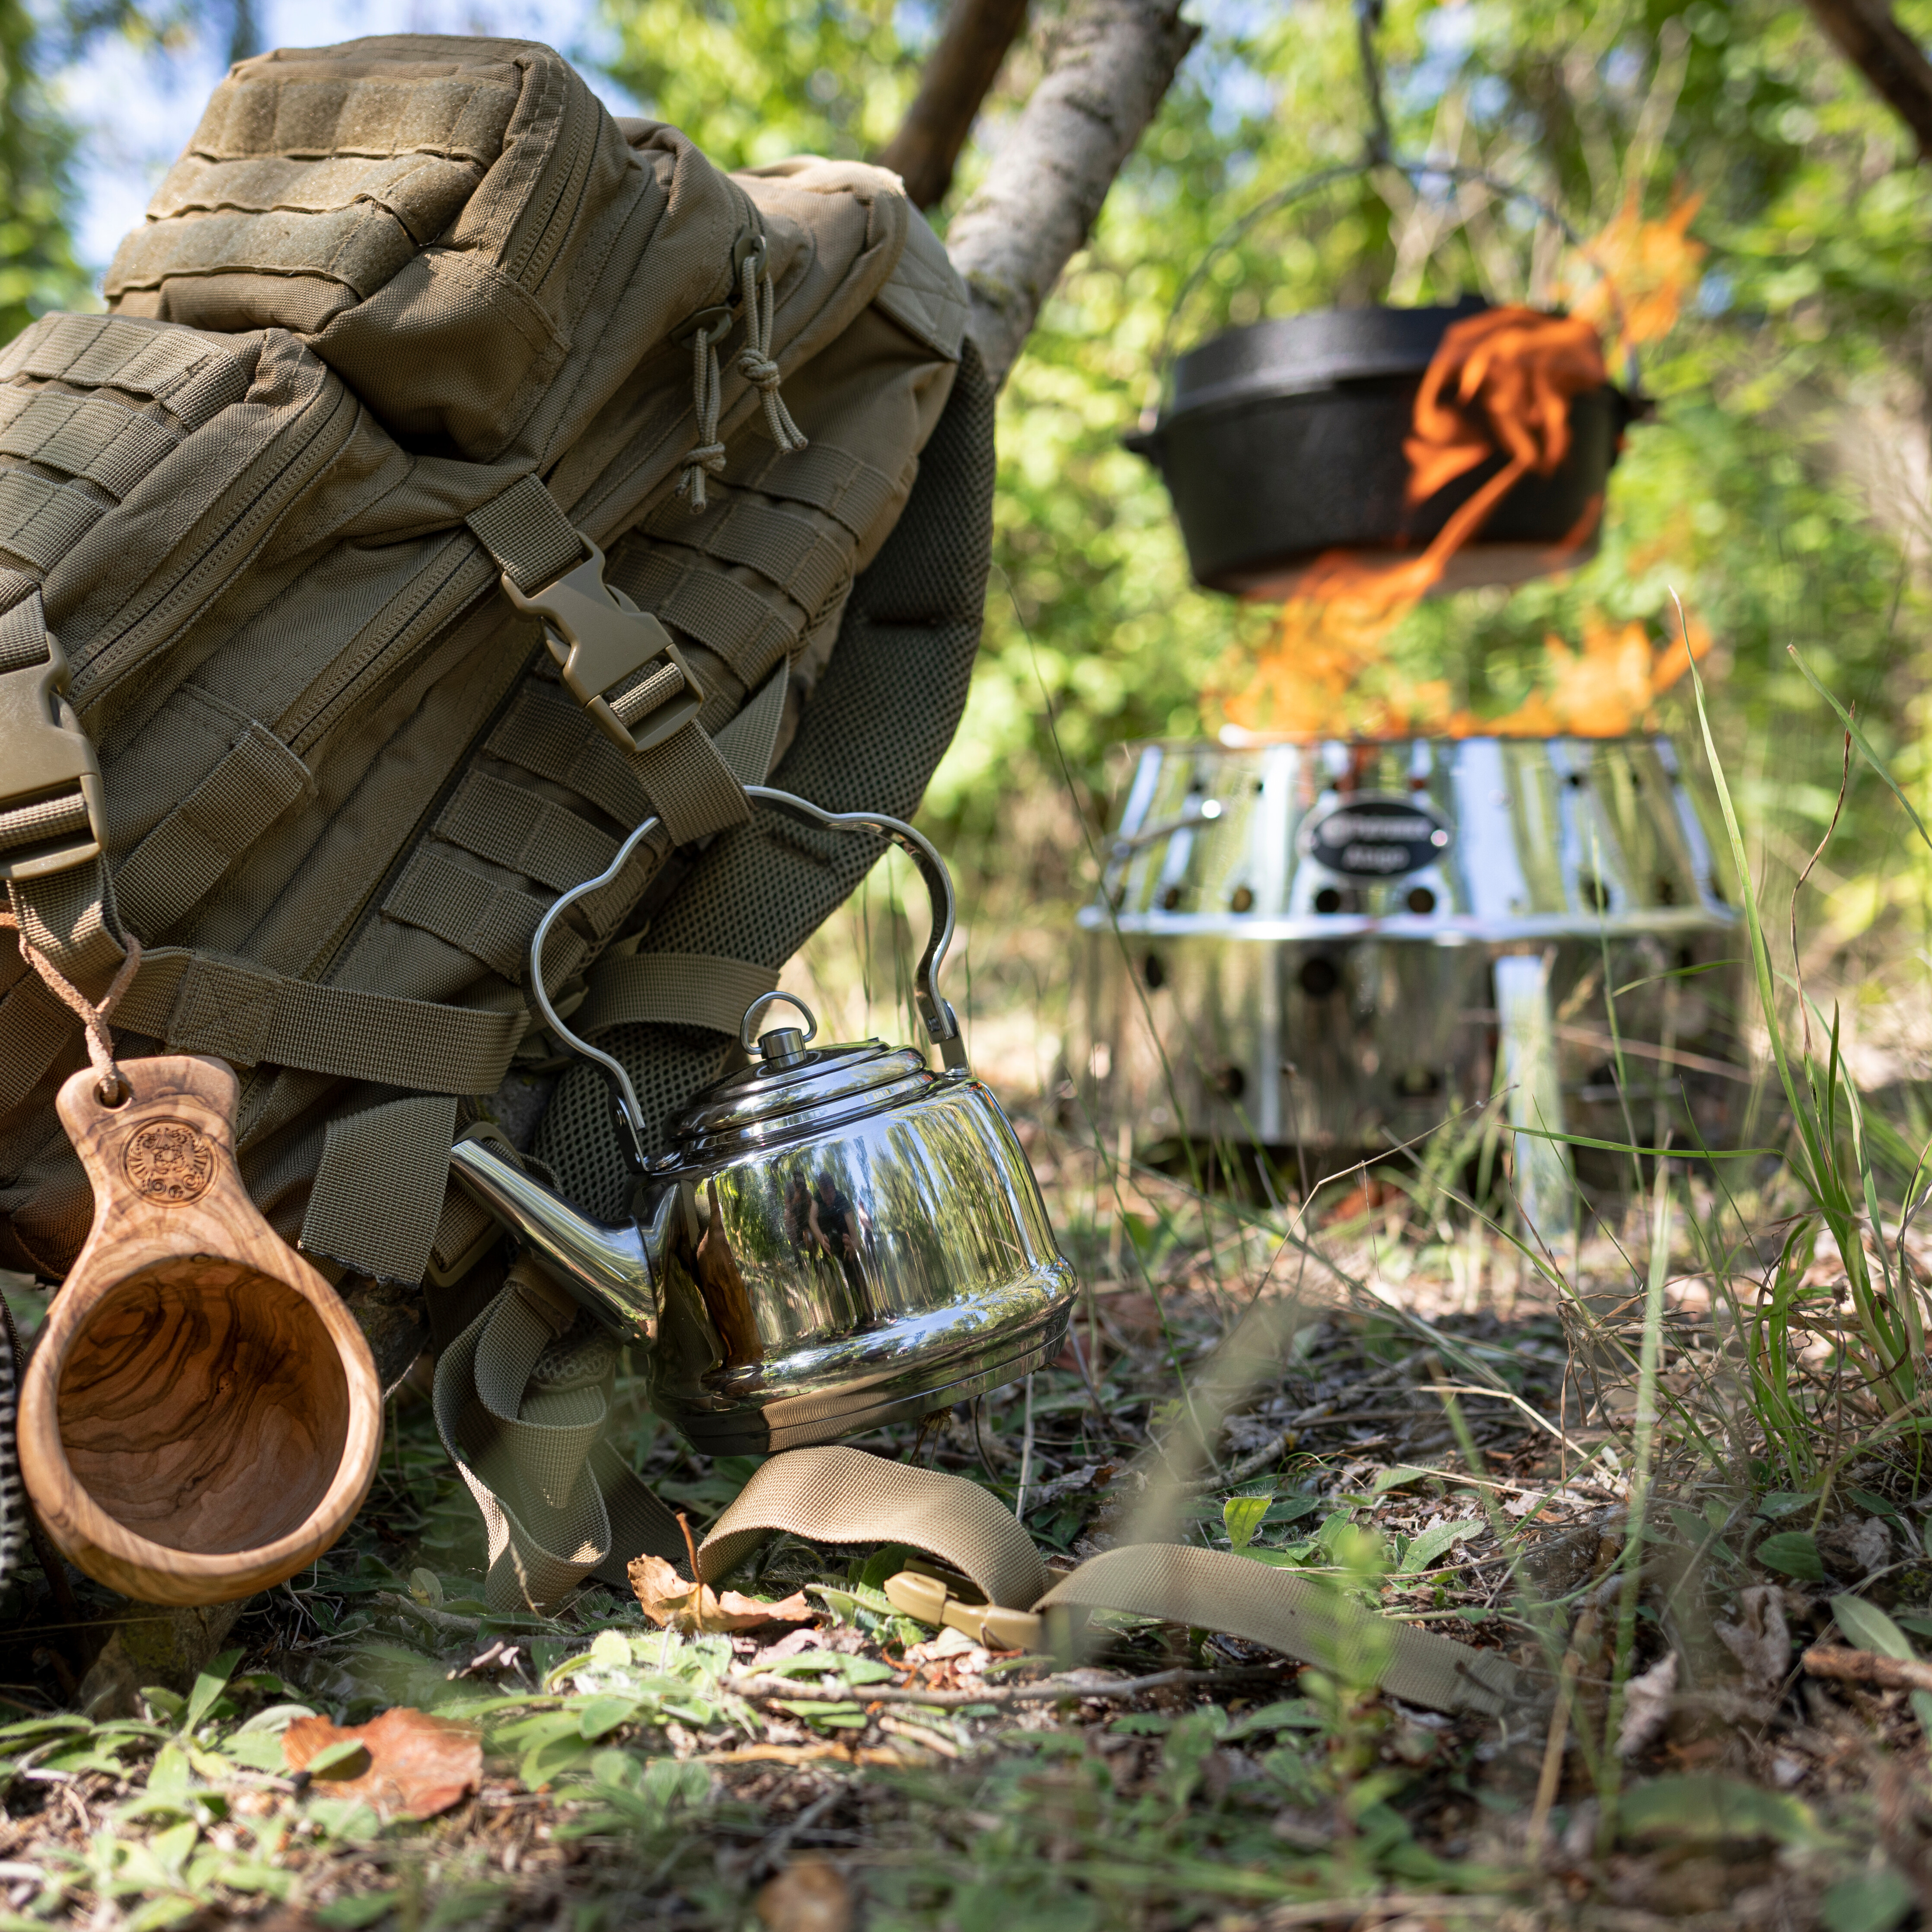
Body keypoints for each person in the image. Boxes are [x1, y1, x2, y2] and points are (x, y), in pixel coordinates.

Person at [808, 1168, 874, 1324]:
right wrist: (821, 1240)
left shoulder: (842, 1200)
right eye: (825, 1195)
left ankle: (867, 1315)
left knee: (854, 1273)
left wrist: (852, 1247)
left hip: (845, 1243)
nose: (829, 1200)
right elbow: (812, 1219)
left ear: (834, 1189)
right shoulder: (817, 1199)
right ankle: (844, 1321)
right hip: (830, 1246)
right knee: (835, 1282)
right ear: (820, 1190)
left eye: (830, 1194)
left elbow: (855, 1234)